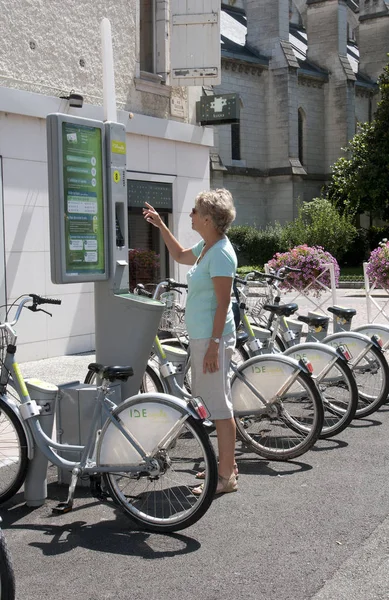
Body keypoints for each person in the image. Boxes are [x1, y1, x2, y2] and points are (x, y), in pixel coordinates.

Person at [143, 189, 238, 495]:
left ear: (209, 219)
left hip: (214, 339)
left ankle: (225, 478)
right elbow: (180, 255)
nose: (191, 216)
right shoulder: (207, 246)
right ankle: (227, 466)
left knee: (219, 408)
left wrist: (213, 344)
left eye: (195, 212)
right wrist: (160, 225)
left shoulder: (221, 252)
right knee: (212, 403)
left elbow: (224, 304)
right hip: (204, 338)